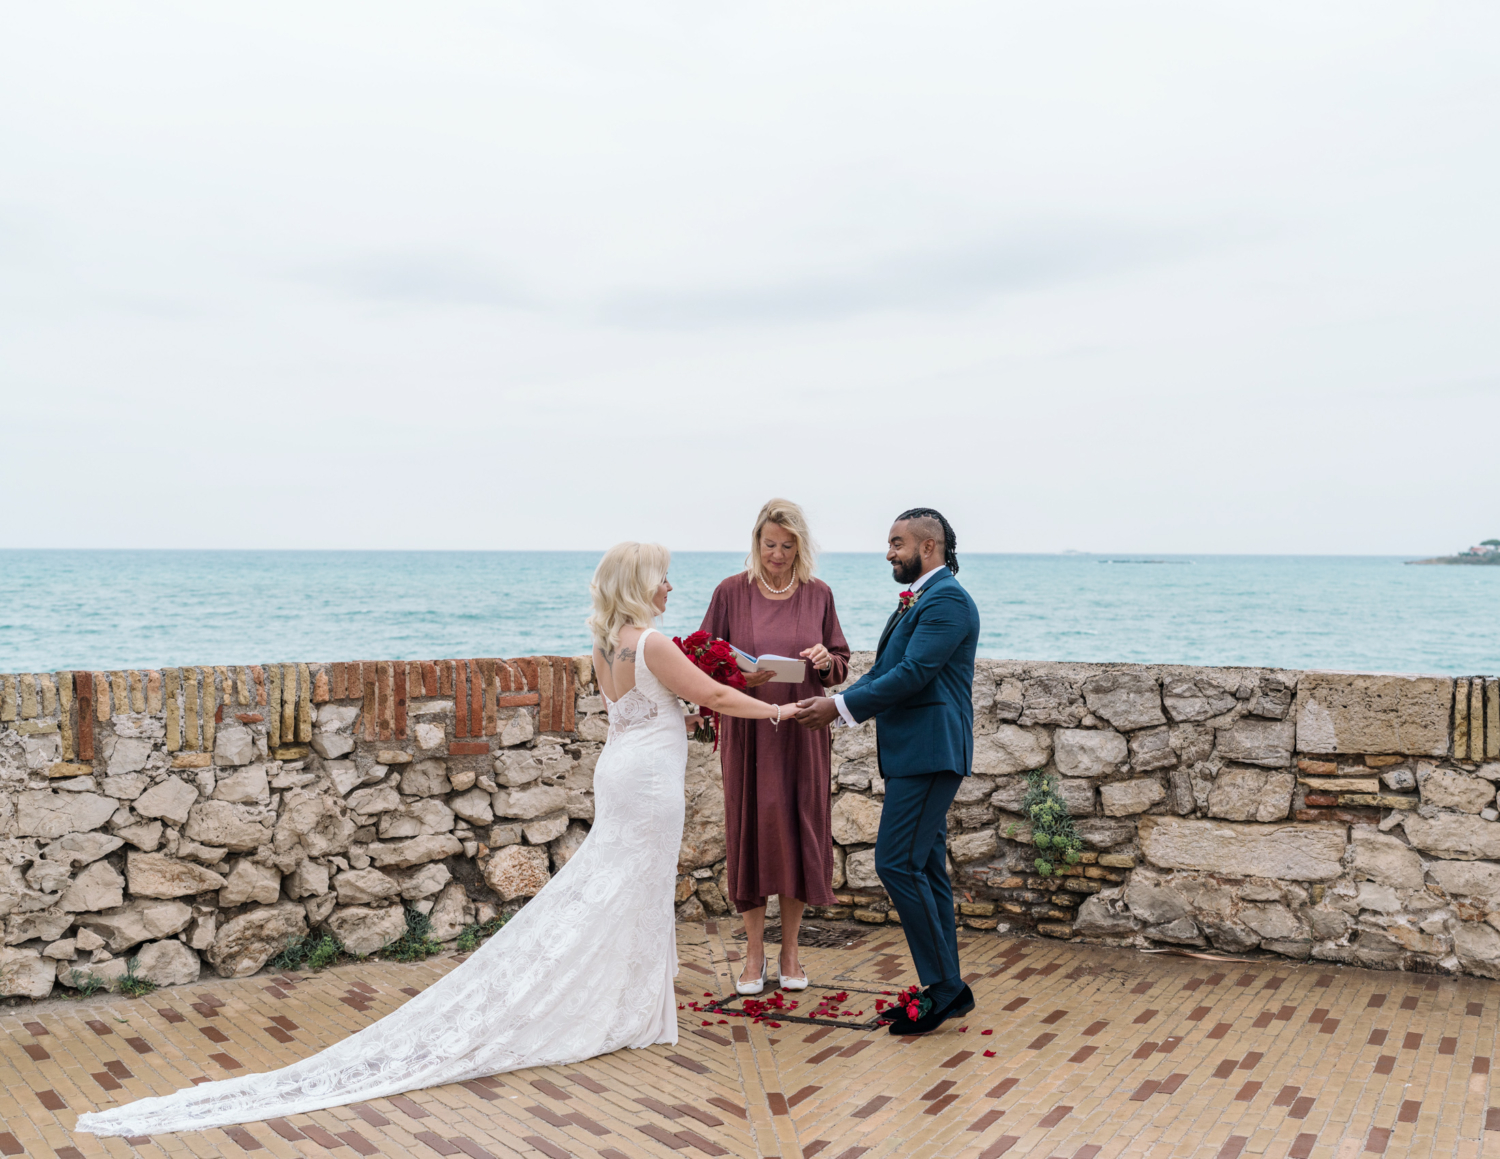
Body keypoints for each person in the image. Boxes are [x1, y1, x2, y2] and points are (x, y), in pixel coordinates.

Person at [76, 541, 786, 1138]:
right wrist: (779, 712)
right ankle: (626, 1005)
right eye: (662, 573)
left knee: (620, 887)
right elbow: (716, 697)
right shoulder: (652, 641)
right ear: (638, 583)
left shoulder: (606, 644)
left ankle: (629, 1000)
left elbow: (653, 707)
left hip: (622, 770)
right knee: (631, 887)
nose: (670, 584)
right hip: (648, 782)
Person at [794, 507, 980, 1035]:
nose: (888, 552)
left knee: (895, 863)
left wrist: (840, 708)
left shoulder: (947, 601)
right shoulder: (923, 598)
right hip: (916, 753)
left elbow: (914, 674)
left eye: (897, 543)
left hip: (931, 753)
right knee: (922, 868)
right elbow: (890, 670)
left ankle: (945, 988)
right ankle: (944, 986)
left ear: (929, 547)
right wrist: (840, 696)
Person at [699, 499, 850, 995]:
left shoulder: (818, 594)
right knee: (752, 832)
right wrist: (740, 672)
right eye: (769, 545)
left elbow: (840, 665)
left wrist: (826, 661)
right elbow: (703, 658)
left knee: (798, 830)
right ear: (756, 542)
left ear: (800, 545)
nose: (777, 555)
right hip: (749, 730)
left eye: (787, 546)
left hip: (803, 730)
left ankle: (790, 952)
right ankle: (752, 955)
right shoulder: (730, 593)